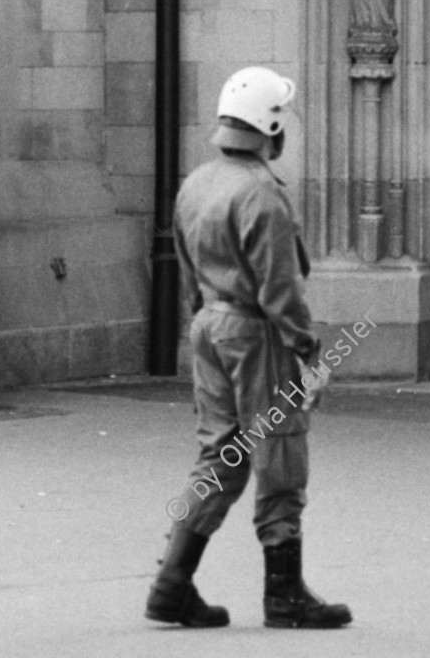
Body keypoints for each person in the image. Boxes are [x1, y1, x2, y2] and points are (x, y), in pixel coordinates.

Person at [145, 66, 352, 629]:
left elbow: (188, 270)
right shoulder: (262, 193)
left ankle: (171, 583)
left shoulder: (197, 183)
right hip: (256, 332)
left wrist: (207, 319)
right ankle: (285, 597)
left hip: (208, 323)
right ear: (272, 126)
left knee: (219, 455)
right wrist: (307, 349)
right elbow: (280, 288)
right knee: (280, 453)